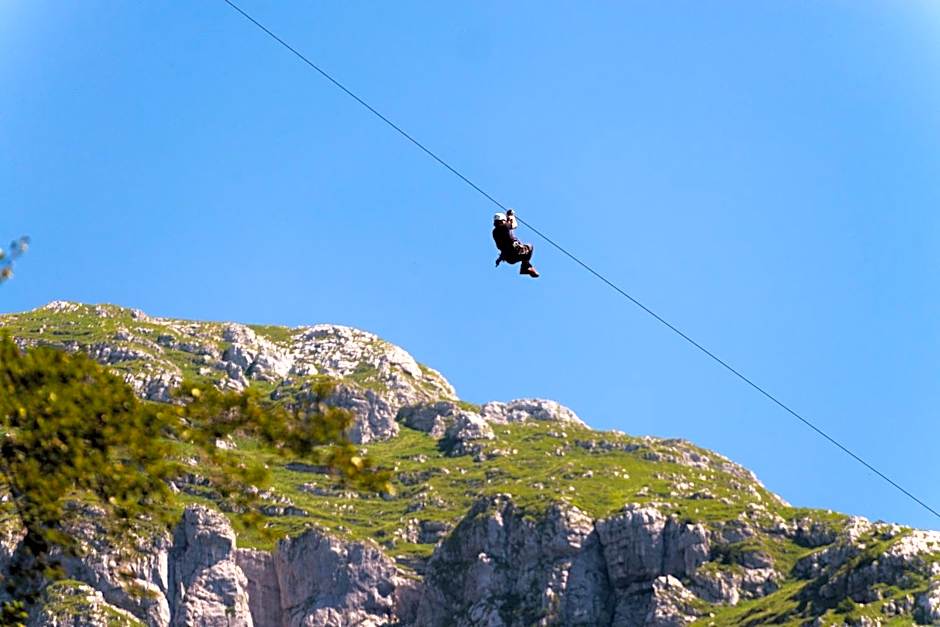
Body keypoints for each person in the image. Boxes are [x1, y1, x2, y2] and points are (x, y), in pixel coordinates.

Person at [492, 209, 539, 278]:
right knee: (530, 247)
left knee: (523, 251)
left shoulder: (495, 232)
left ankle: (526, 267)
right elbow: (514, 225)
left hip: (509, 258)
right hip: (515, 252)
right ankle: (525, 268)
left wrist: (500, 258)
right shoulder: (504, 227)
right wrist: (511, 215)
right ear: (502, 221)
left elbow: (505, 241)